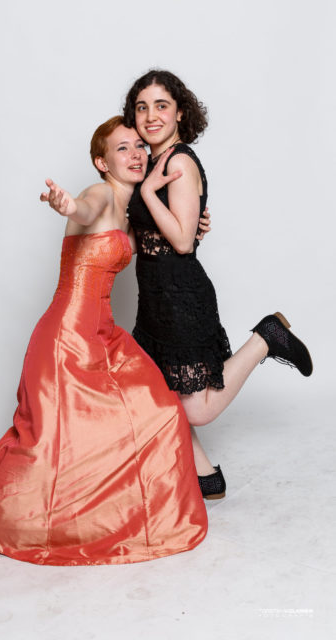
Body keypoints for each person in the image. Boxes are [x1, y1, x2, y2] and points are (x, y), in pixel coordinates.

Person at [0, 116, 208, 566]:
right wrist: (67, 205)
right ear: (102, 162)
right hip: (66, 339)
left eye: (139, 146)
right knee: (44, 446)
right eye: (122, 148)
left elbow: (167, 243)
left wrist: (192, 223)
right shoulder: (100, 195)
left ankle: (121, 518)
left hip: (103, 336)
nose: (135, 154)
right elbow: (84, 209)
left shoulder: (131, 212)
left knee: (159, 411)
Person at [123, 70, 313, 499]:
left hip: (180, 298)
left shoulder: (178, 163)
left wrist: (150, 194)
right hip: (153, 298)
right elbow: (154, 235)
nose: (150, 116)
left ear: (180, 113)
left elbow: (182, 241)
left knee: (197, 408)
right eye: (142, 107)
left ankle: (266, 338)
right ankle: (206, 475)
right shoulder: (150, 163)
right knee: (157, 392)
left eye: (161, 106)